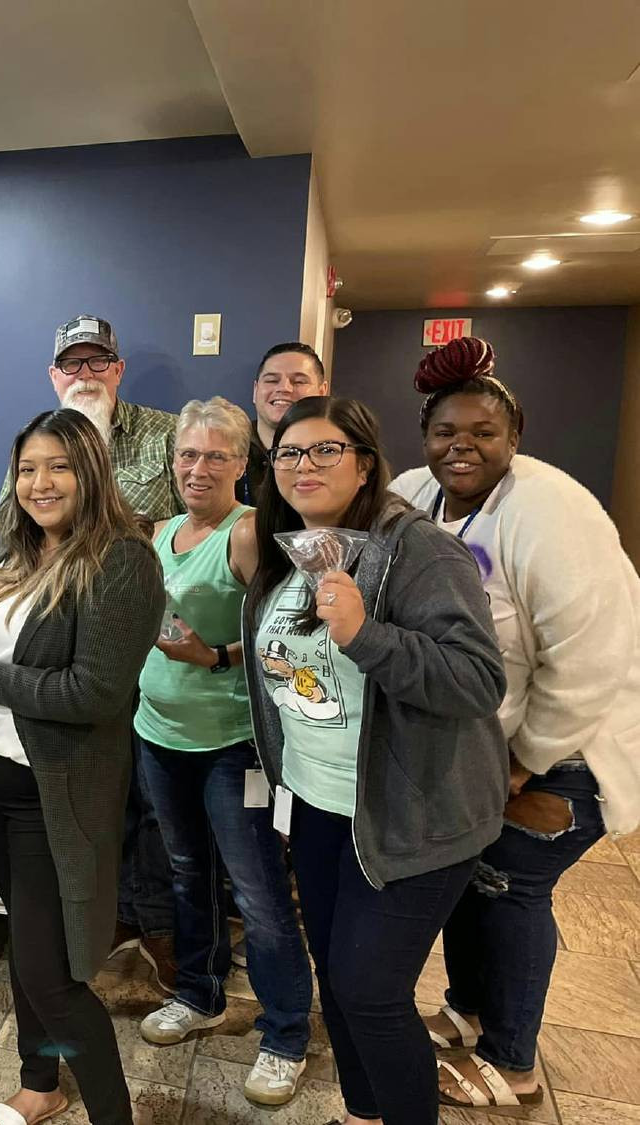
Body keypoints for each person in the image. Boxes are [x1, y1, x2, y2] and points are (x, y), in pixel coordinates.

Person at [389, 337, 640, 1110]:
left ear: (515, 434)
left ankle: (515, 1057)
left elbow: (594, 655)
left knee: (512, 886)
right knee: (471, 880)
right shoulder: (411, 494)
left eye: (483, 433)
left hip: (565, 750)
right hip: (480, 748)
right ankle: (467, 1011)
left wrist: (527, 758)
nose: (461, 447)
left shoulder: (554, 511)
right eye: (445, 433)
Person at [243, 395, 508, 1125]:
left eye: (326, 449)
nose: (305, 465)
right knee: (338, 978)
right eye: (290, 453)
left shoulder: (419, 549)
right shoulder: (285, 547)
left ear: (364, 464)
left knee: (371, 990)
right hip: (321, 803)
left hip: (412, 810)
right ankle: (364, 1115)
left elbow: (478, 680)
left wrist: (367, 635)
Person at [0, 407, 164, 1125]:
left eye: (58, 465)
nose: (40, 482)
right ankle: (39, 1083)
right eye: (28, 467)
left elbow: (91, 693)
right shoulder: (13, 553)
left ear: (91, 470)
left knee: (53, 974)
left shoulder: (123, 560)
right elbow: (1, 638)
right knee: (29, 956)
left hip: (47, 798)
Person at [131, 398, 313, 1106]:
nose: (197, 468)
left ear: (243, 462)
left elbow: (289, 639)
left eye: (214, 455)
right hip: (159, 736)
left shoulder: (246, 533)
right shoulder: (164, 531)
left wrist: (211, 656)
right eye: (187, 454)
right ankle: (200, 994)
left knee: (260, 893)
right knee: (186, 875)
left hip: (232, 749)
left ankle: (286, 1032)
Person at [0, 313, 181, 990]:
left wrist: (103, 518)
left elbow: (190, 525)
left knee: (153, 807)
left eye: (97, 362)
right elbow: (11, 535)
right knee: (91, 807)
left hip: (162, 655)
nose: (85, 376)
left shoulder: (165, 433)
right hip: (59, 650)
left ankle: (157, 926)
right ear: (53, 376)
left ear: (118, 368)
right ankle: (108, 922)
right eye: (71, 365)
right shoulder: (37, 446)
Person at [240, 343, 328, 504]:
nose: (284, 388)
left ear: (322, 392)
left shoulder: (338, 455)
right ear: (255, 391)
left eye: (299, 381)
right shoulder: (228, 448)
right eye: (272, 380)